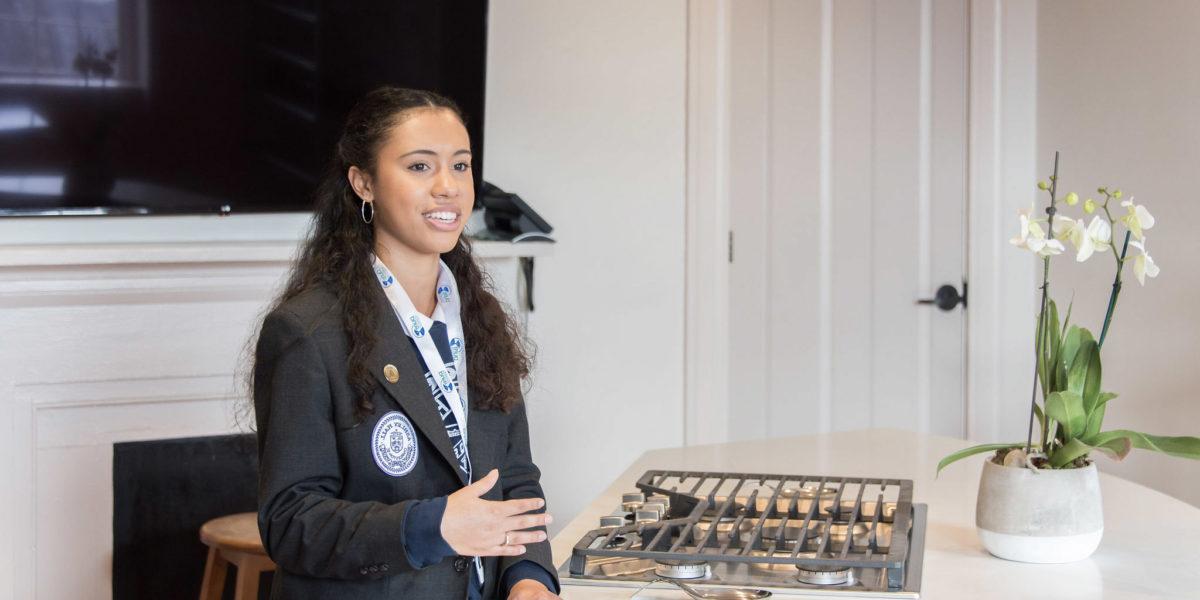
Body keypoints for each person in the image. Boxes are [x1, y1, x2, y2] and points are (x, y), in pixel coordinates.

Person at [251, 87, 561, 599]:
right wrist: (432, 525)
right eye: (420, 167)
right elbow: (292, 523)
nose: (449, 188)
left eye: (461, 167)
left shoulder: (478, 320)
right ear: (363, 182)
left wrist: (530, 577)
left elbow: (516, 478)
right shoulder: (306, 333)